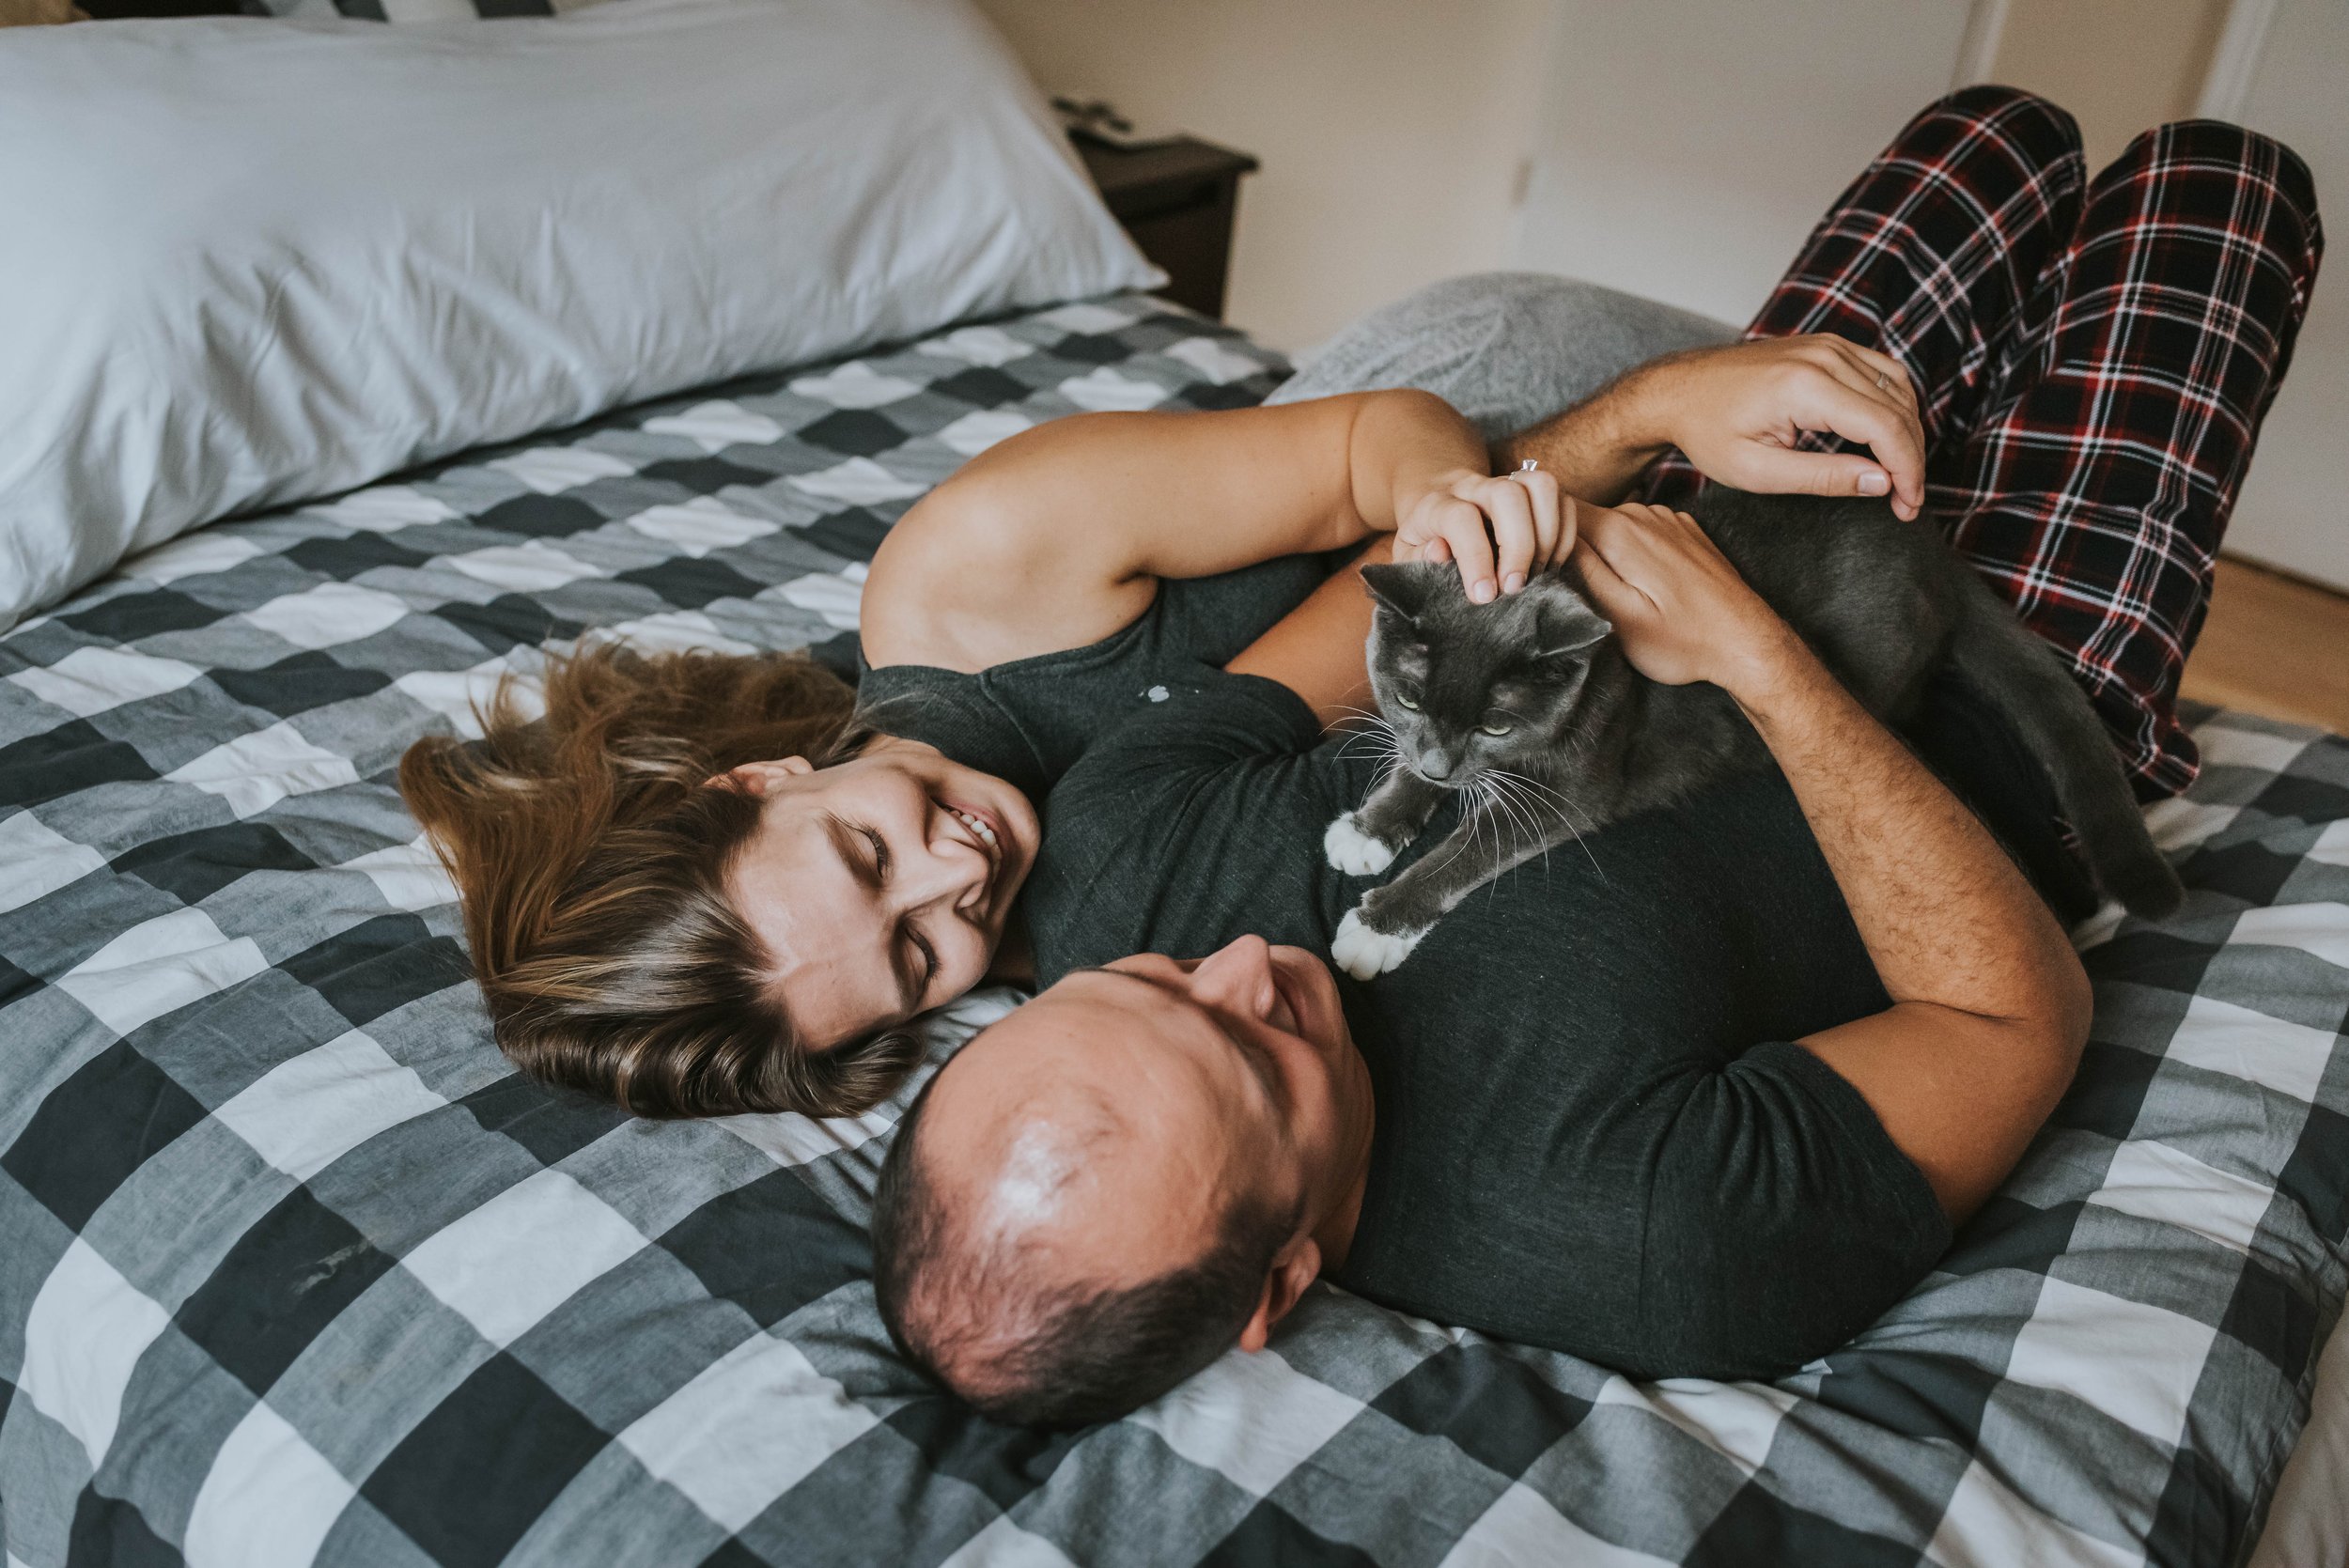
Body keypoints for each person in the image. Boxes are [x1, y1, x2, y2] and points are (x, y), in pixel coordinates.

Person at [864, 88, 2321, 1422]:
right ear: (1284, 1281)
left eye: (1149, 983)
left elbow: (1398, 570)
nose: (1245, 965)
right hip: (1991, 709)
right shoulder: (1645, 1238)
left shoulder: (1111, 863)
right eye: (1259, 1053)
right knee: (2228, 182)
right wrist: (1760, 664)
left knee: (1997, 132)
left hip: (1718, 505)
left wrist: (1650, 412)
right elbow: (2015, 1023)